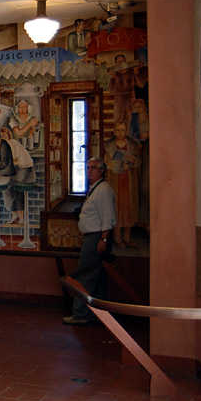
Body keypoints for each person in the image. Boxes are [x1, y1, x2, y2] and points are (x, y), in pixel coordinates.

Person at [63, 158, 116, 325]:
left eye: (93, 168)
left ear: (102, 170)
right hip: (92, 236)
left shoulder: (103, 190)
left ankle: (80, 314)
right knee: (97, 276)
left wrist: (103, 238)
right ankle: (97, 314)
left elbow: (108, 216)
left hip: (97, 237)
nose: (89, 171)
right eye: (87, 168)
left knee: (84, 275)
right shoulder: (95, 189)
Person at [104, 121, 141, 247]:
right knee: (117, 207)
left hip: (129, 181)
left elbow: (139, 161)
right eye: (118, 130)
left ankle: (127, 237)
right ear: (114, 131)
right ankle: (118, 238)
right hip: (115, 180)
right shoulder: (109, 146)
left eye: (123, 130)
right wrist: (120, 165)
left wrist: (133, 161)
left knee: (128, 207)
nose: (120, 133)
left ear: (126, 131)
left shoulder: (132, 145)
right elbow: (107, 162)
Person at [0, 127, 35, 225]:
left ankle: (19, 215)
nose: (3, 139)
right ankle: (15, 214)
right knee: (11, 188)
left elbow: (15, 161)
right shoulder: (7, 145)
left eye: (4, 136)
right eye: (1, 137)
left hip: (26, 170)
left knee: (9, 187)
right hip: (21, 170)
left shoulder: (12, 144)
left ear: (8, 136)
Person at [108, 53, 146, 128]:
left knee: (131, 117)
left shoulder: (131, 71)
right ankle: (118, 137)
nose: (120, 63)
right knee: (118, 118)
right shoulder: (114, 73)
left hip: (130, 96)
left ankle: (131, 135)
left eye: (122, 60)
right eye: (118, 61)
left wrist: (136, 72)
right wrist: (112, 78)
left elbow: (141, 84)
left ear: (126, 61)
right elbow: (111, 90)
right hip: (119, 97)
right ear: (115, 63)